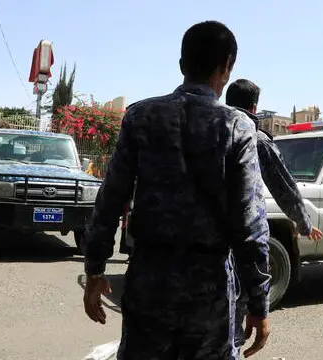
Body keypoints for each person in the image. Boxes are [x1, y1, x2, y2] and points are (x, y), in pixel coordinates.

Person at [82, 21, 271, 360]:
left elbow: (110, 200)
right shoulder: (236, 126)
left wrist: (95, 270)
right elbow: (250, 223)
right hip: (209, 289)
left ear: (182, 64)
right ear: (226, 66)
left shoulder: (140, 117)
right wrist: (259, 301)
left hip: (149, 281)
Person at [225, 78, 323, 354]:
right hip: (232, 252)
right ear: (254, 105)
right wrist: (304, 224)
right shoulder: (255, 138)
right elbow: (285, 188)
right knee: (230, 326)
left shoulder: (204, 127)